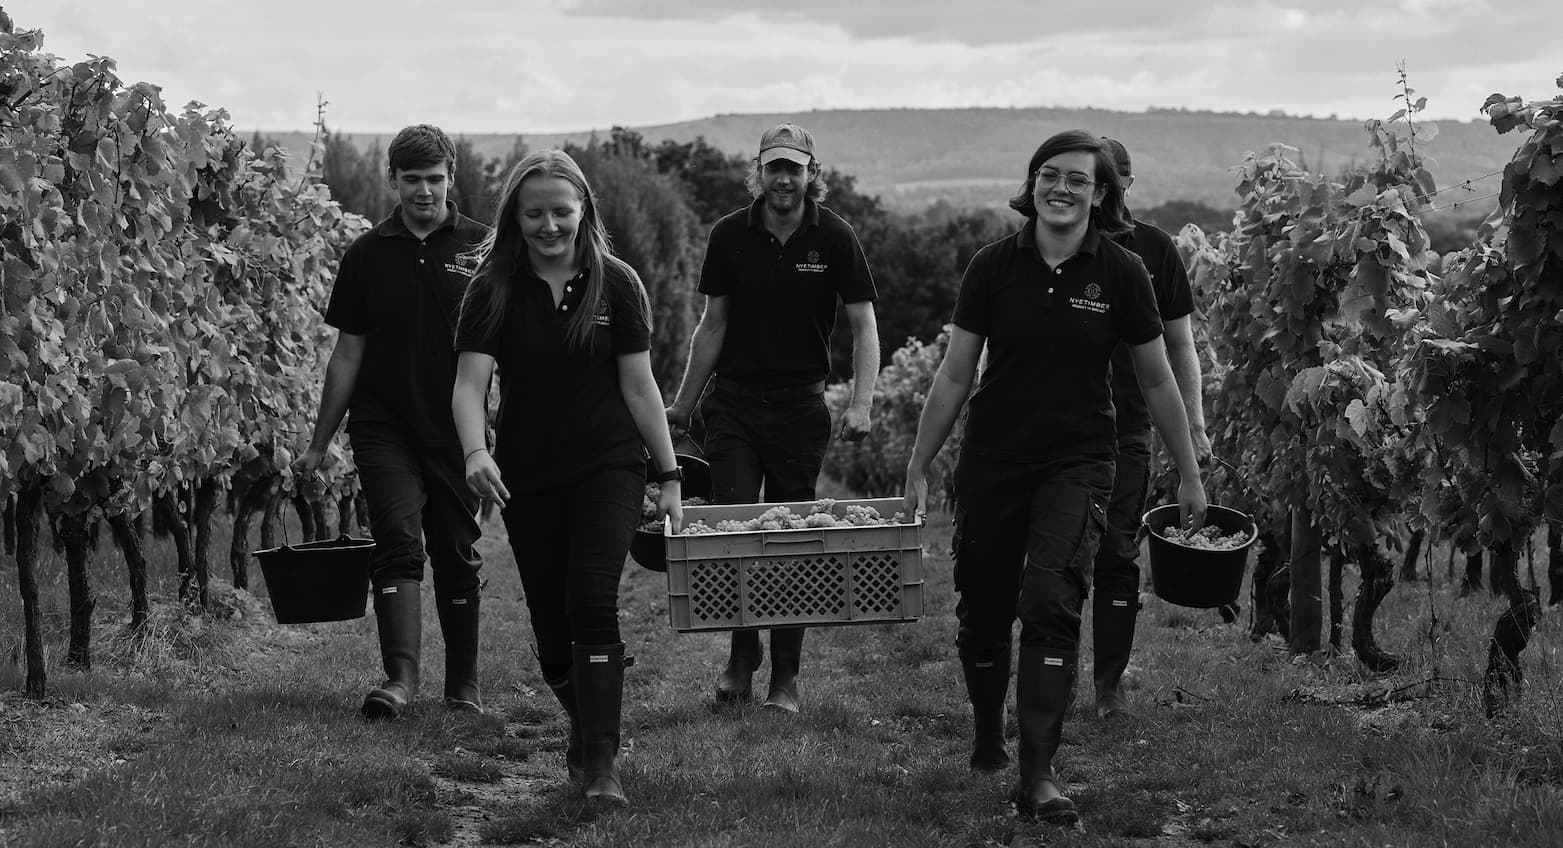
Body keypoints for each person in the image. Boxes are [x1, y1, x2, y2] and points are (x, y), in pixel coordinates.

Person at [902, 131, 1206, 827]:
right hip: (994, 458)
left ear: (1100, 195)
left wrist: (1188, 471)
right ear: (1031, 184)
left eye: (1077, 179)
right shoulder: (991, 266)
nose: (1061, 188)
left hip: (1078, 459)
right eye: (1049, 175)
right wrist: (918, 464)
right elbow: (954, 373)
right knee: (982, 609)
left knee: (1050, 601)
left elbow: (1156, 377)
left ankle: (1036, 774)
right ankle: (986, 734)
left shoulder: (1122, 272)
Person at [451, 149, 682, 808]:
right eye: (534, 213)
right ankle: (585, 725)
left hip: (608, 463)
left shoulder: (618, 284)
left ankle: (603, 766)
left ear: (583, 212)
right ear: (515, 217)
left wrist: (666, 474)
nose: (548, 225)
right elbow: (469, 387)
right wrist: (476, 453)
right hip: (527, 473)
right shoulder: (492, 288)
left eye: (560, 210)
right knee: (552, 628)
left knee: (591, 600)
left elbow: (639, 387)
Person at [664, 122, 880, 714]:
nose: (783, 178)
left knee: (793, 541)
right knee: (738, 536)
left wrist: (861, 402)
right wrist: (683, 404)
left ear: (813, 173)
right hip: (732, 407)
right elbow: (714, 325)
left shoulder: (834, 236)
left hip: (800, 411)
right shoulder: (730, 234)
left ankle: (785, 675)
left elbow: (864, 325)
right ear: (757, 173)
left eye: (795, 167)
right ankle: (741, 657)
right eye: (773, 167)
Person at [297, 124, 488, 720]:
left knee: (455, 549)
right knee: (399, 542)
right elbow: (348, 354)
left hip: (459, 428)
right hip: (383, 426)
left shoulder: (483, 249)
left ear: (451, 178)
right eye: (413, 180)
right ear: (393, 181)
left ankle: (463, 685)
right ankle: (400, 680)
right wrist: (318, 443)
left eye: (435, 179)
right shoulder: (367, 254)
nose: (425, 191)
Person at [1090, 137, 1213, 720]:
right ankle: (1053, 673)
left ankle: (1108, 687)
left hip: (1129, 423)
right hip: (1057, 425)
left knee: (1117, 552)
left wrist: (1194, 423)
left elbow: (1180, 344)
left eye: (1119, 178)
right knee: (1056, 558)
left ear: (1127, 185)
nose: (1111, 189)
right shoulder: (1055, 242)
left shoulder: (1155, 249)